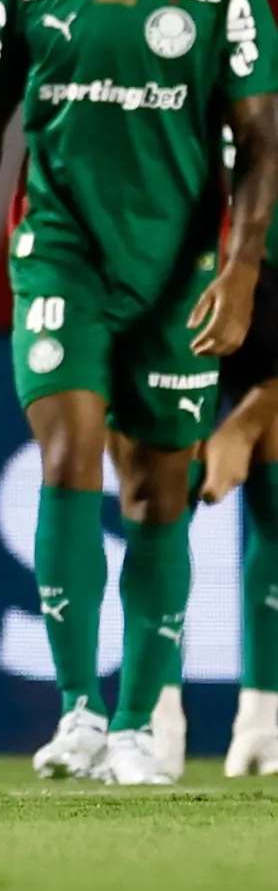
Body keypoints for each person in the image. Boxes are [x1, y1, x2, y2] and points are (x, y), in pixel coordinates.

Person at [0, 0, 278, 785]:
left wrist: (244, 267)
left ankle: (140, 723)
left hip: (178, 273)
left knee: (158, 486)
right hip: (60, 257)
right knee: (67, 452)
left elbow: (260, 144)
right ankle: (80, 709)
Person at [187, 136, 278, 778]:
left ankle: (262, 723)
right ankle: (150, 723)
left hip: (264, 300)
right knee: (156, 487)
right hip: (171, 286)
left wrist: (241, 429)